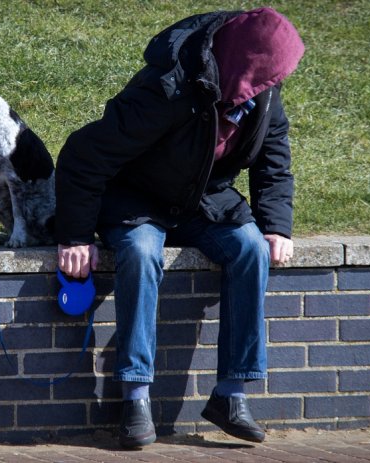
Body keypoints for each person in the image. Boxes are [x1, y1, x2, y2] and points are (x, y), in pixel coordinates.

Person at [55, 7, 304, 448]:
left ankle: (232, 393)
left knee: (249, 249)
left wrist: (276, 227)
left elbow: (274, 159)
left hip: (205, 199)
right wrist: (75, 236)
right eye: (267, 73)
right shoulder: (168, 86)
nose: (273, 83)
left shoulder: (263, 92)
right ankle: (135, 396)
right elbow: (85, 153)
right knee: (140, 252)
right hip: (137, 198)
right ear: (243, 61)